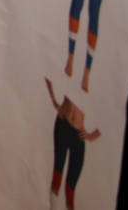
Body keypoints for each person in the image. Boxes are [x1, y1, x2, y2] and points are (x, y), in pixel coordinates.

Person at [45, 78, 101, 209]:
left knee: (71, 185)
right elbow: (49, 77)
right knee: (57, 174)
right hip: (63, 125)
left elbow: (112, 113)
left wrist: (92, 135)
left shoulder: (96, 77)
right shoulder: (72, 67)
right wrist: (54, 102)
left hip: (78, 136)